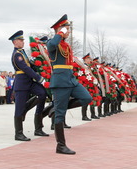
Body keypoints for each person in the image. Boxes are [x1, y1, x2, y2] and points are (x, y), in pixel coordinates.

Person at [47, 14, 92, 155]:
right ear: (59, 29)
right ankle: (61, 146)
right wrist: (60, 32)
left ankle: (56, 108)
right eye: (66, 28)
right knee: (60, 115)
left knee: (86, 98)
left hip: (70, 79)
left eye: (68, 28)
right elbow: (52, 45)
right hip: (60, 81)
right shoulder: (52, 43)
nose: (68, 30)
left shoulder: (66, 45)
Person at [9, 30, 49, 141]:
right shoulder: (17, 55)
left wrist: (37, 64)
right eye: (20, 40)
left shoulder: (22, 53)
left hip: (29, 82)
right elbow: (25, 68)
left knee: (42, 93)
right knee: (18, 109)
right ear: (14, 42)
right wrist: (39, 78)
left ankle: (29, 114)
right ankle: (18, 133)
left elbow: (29, 65)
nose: (23, 42)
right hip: (22, 83)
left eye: (23, 40)